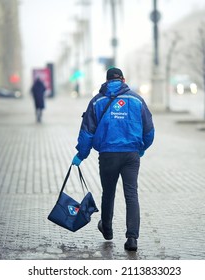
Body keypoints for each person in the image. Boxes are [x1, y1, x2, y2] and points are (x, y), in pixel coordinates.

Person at [72, 67, 155, 251]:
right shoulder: (136, 100)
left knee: (108, 193)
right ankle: (132, 238)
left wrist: (81, 155)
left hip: (108, 155)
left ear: (107, 81)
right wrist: (140, 149)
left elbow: (87, 132)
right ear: (123, 80)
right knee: (131, 194)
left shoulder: (97, 101)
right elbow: (149, 131)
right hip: (130, 156)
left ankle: (107, 229)